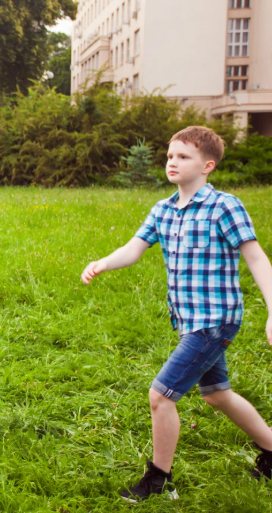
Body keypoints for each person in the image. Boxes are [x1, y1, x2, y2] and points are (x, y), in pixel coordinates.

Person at [81, 126, 272, 502]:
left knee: (161, 396)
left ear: (207, 166)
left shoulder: (225, 206)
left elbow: (256, 258)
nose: (173, 161)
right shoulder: (163, 210)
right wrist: (101, 263)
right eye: (170, 155)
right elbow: (134, 249)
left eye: (184, 156)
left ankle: (158, 478)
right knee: (217, 394)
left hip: (215, 320)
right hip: (189, 321)